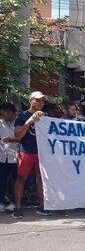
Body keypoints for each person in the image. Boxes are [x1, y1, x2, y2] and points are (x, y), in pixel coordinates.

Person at [12, 91, 50, 219]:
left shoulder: (46, 116)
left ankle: (42, 206)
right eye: (38, 100)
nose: (41, 103)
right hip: (26, 151)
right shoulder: (22, 116)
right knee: (21, 179)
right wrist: (29, 121)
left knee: (41, 180)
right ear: (30, 100)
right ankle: (17, 208)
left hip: (42, 153)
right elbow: (18, 136)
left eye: (43, 101)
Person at [0, 103, 19, 212]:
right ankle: (1, 202)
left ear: (10, 112)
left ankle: (14, 202)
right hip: (3, 156)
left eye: (3, 114)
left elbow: (26, 138)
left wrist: (14, 140)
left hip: (17, 155)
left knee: (16, 181)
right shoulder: (0, 122)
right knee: (1, 180)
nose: (1, 116)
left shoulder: (20, 122)